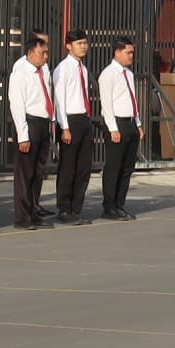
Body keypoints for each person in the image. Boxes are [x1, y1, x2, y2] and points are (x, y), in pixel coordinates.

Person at [9, 34, 55, 230]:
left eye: (46, 52)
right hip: (29, 123)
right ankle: (22, 216)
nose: (45, 56)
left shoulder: (43, 72)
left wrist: (51, 120)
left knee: (38, 172)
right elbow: (17, 105)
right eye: (41, 52)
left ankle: (34, 211)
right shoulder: (20, 73)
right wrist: (23, 135)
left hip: (42, 123)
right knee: (24, 173)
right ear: (30, 52)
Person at [52, 30, 97, 225]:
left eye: (85, 43)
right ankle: (64, 208)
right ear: (68, 46)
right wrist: (64, 127)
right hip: (70, 120)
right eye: (79, 43)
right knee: (68, 167)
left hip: (84, 119)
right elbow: (59, 100)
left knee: (83, 167)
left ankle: (76, 208)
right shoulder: (62, 69)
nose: (83, 46)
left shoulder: (83, 69)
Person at [98, 38, 143, 219]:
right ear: (117, 52)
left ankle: (119, 203)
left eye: (132, 52)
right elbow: (107, 104)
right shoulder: (108, 74)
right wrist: (112, 128)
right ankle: (109, 206)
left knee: (127, 167)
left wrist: (138, 123)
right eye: (128, 52)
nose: (131, 56)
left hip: (130, 122)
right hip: (116, 123)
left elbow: (132, 99)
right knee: (114, 167)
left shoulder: (129, 74)